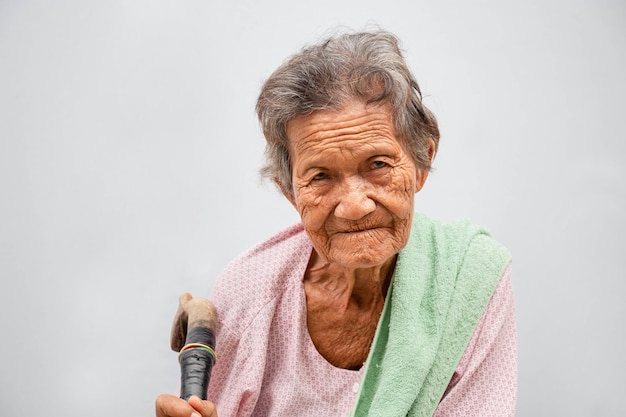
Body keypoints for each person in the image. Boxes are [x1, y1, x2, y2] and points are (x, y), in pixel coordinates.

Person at [156, 29, 516, 417]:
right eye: (321, 177)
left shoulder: (469, 277)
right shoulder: (250, 290)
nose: (355, 206)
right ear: (291, 192)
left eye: (378, 165)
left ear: (421, 163)